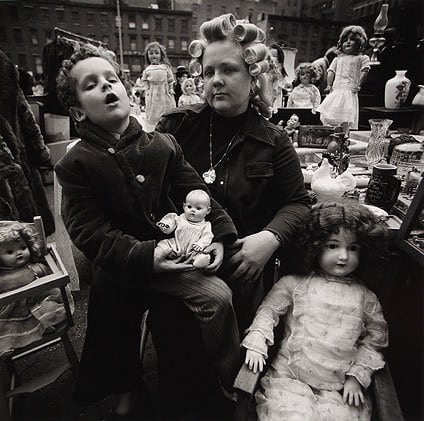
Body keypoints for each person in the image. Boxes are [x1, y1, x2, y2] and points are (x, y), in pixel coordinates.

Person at [54, 44, 240, 416]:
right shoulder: (76, 163)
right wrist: (143, 256)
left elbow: (193, 189)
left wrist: (219, 231)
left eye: (112, 79)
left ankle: (230, 375)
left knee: (217, 297)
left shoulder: (161, 143)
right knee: (111, 312)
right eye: (92, 85)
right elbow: (87, 229)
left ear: (126, 88)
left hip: (170, 251)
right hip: (122, 262)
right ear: (77, 111)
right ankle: (125, 382)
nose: (107, 87)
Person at [152, 12, 310, 413]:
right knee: (179, 370)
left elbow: (297, 202)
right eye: (207, 72)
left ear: (253, 78)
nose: (215, 80)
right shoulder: (175, 128)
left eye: (228, 69)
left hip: (241, 271)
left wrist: (268, 239)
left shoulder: (273, 141)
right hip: (181, 268)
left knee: (232, 371)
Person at [243, 201, 389, 420]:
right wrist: (257, 341)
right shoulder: (293, 284)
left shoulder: (366, 298)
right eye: (333, 245)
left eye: (353, 248)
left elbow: (375, 339)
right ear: (315, 245)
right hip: (290, 380)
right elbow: (268, 311)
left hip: (338, 387)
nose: (343, 256)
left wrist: (357, 376)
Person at [0, 221, 72, 356]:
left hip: (36, 301)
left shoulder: (33, 267)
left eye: (22, 247)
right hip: (12, 311)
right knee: (7, 326)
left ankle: (47, 324)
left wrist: (45, 272)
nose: (19, 253)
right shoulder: (2, 277)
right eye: (10, 252)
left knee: (48, 307)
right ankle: (7, 345)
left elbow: (49, 274)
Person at [317, 26, 370, 132]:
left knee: (346, 115)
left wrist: (359, 85)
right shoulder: (337, 59)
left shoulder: (361, 58)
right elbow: (331, 72)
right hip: (336, 90)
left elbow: (364, 71)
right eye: (345, 40)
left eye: (352, 40)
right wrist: (328, 85)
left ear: (359, 43)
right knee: (328, 112)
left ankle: (344, 136)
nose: (348, 42)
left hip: (349, 90)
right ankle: (330, 132)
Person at [156, 189, 213, 269]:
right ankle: (158, 253)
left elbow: (207, 236)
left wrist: (200, 244)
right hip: (176, 246)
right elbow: (172, 220)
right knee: (165, 244)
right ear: (184, 206)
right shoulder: (180, 218)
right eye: (189, 206)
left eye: (198, 208)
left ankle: (198, 261)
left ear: (208, 211)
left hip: (193, 249)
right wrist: (167, 225)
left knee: (200, 253)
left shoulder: (206, 225)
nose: (192, 210)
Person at [138, 41, 176, 131]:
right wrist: (146, 90)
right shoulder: (147, 70)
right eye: (151, 53)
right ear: (147, 56)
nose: (154, 55)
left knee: (167, 112)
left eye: (156, 53)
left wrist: (171, 89)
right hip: (153, 95)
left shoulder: (165, 68)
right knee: (154, 113)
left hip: (165, 92)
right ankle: (155, 129)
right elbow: (144, 80)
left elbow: (170, 80)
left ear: (161, 55)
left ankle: (168, 127)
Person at [266, 44, 290, 113]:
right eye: (271, 56)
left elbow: (281, 85)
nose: (273, 58)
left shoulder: (279, 71)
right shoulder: (265, 70)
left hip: (275, 95)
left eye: (275, 56)